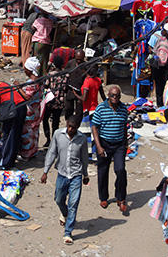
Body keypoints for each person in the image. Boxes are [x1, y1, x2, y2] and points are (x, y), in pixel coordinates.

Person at [41, 114, 90, 245]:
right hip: (62, 174)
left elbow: (84, 158)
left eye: (73, 128)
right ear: (66, 123)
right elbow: (52, 152)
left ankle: (68, 233)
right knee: (58, 199)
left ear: (77, 127)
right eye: (69, 126)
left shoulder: (82, 139)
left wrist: (85, 175)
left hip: (76, 175)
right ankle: (64, 213)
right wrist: (45, 171)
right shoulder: (58, 134)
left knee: (74, 204)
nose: (70, 129)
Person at [91, 84, 129, 215]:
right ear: (108, 96)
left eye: (117, 96)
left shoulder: (124, 109)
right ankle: (103, 197)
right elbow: (94, 127)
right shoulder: (101, 108)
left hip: (119, 145)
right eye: (113, 95)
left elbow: (124, 126)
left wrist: (125, 143)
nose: (115, 98)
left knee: (120, 170)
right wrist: (99, 147)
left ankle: (121, 198)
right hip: (104, 143)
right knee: (103, 171)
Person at [20, 57, 43, 160]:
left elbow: (27, 97)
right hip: (36, 109)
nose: (24, 70)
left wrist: (18, 88)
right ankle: (33, 151)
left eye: (25, 68)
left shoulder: (31, 83)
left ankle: (27, 154)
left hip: (30, 112)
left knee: (28, 133)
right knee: (34, 131)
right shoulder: (38, 79)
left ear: (29, 70)